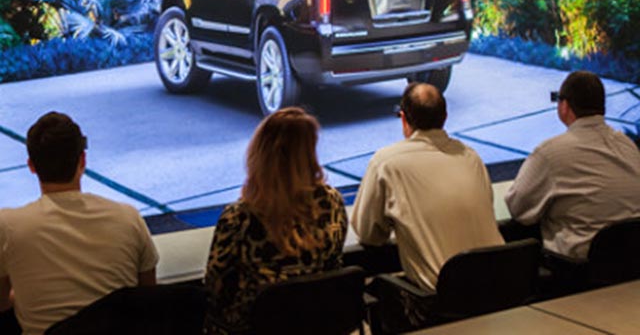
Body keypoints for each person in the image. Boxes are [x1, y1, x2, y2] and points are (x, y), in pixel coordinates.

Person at [0, 112, 159, 335]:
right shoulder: (129, 217)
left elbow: (2, 303)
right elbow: (149, 297)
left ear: (31, 166)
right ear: (82, 160)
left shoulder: (8, 226)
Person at [203, 107, 347, 334]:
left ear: (260, 153)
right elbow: (333, 265)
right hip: (317, 323)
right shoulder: (333, 203)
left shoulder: (239, 217)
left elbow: (214, 287)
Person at [352, 82, 503, 292]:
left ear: (403, 119)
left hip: (442, 299)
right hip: (500, 286)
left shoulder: (386, 162)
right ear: (445, 117)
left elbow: (369, 235)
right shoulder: (471, 156)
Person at [505, 70, 640, 258]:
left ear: (564, 106)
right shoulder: (627, 145)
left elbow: (518, 209)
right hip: (630, 262)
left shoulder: (550, 153)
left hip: (576, 267)